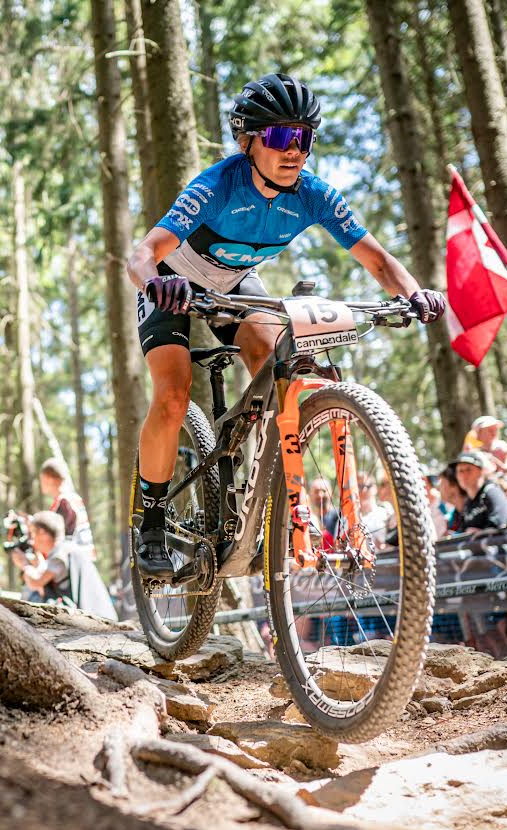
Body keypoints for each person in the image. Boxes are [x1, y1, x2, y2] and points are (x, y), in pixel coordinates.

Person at [123, 73, 446, 576]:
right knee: (172, 393)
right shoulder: (218, 184)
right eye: (279, 136)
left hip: (233, 282)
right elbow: (142, 254)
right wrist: (154, 285)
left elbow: (379, 261)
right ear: (248, 141)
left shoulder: (314, 193)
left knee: (286, 368)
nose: (293, 150)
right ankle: (152, 516)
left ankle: (265, 482)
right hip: (174, 283)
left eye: (303, 137)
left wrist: (415, 293)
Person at [8, 511, 116, 619]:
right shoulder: (69, 547)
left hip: (95, 621)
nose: (31, 541)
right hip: (100, 616)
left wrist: (24, 564)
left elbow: (36, 582)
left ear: (42, 533)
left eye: (32, 534)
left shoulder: (61, 552)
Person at [39, 457, 95, 552]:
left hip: (76, 559)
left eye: (42, 479)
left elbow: (62, 536)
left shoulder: (64, 502)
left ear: (50, 479)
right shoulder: (73, 498)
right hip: (84, 556)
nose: (41, 484)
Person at [453, 451, 507, 530]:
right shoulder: (468, 503)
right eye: (460, 471)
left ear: (481, 471)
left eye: (468, 469)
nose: (464, 475)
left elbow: (500, 524)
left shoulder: (492, 492)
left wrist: (480, 533)